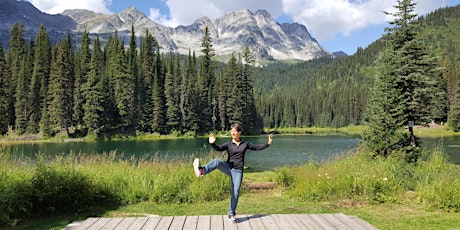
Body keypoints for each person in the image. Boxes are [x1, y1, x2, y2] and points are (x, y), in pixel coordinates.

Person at [193, 123, 273, 223]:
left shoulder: (245, 144)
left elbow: (257, 147)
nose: (232, 133)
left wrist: (268, 143)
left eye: (235, 131)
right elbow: (218, 149)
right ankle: (202, 171)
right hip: (228, 167)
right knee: (217, 161)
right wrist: (212, 143)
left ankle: (231, 214)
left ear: (239, 132)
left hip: (238, 171)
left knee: (235, 193)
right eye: (231, 131)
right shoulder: (228, 144)